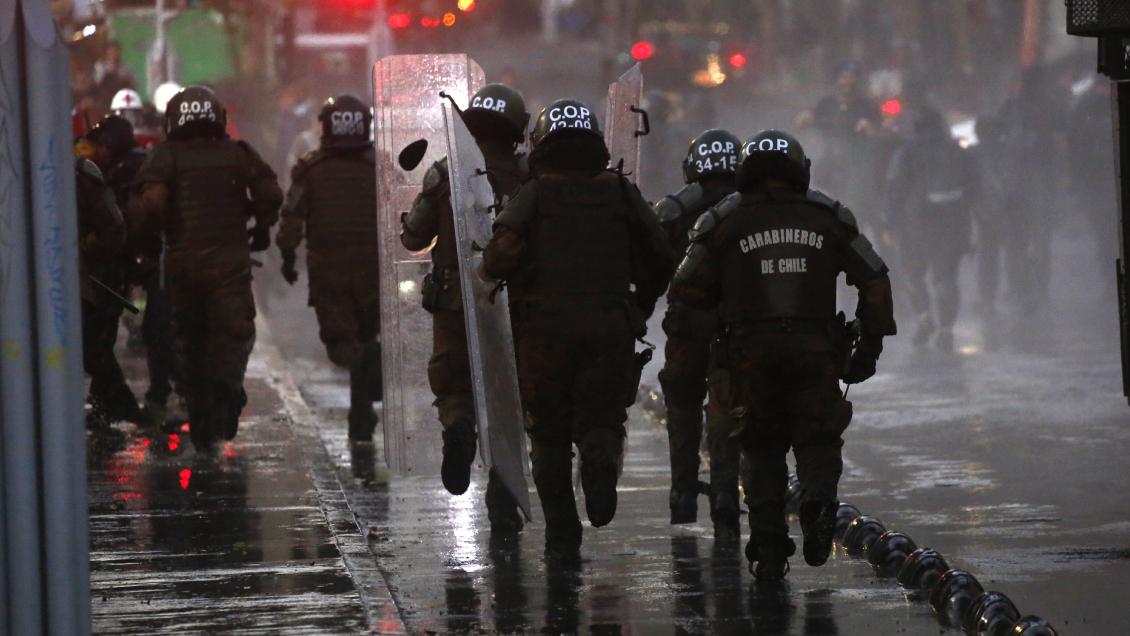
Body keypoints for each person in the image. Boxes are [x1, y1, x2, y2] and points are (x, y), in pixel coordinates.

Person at [670, 130, 896, 580]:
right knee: (818, 440)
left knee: (760, 446)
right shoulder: (827, 216)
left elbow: (686, 287)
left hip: (748, 356)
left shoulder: (723, 221)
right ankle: (817, 498)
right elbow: (874, 280)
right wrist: (869, 345)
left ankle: (770, 548)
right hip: (816, 352)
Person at [480, 99, 676, 560]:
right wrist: (639, 305)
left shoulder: (535, 194)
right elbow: (662, 256)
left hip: (544, 332)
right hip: (609, 325)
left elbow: (496, 259)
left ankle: (562, 538)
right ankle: (600, 455)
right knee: (602, 418)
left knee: (547, 435)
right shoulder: (620, 191)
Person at [400, 83, 531, 532]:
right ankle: (503, 495)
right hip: (516, 305)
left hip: (455, 300)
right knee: (511, 399)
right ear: (517, 131)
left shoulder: (446, 173)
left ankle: (458, 426)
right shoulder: (531, 176)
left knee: (454, 383)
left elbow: (413, 238)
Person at [129, 85, 282, 451]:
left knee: (190, 341)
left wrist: (149, 242)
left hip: (183, 263)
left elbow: (148, 205)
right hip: (230, 260)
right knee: (234, 333)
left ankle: (200, 421)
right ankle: (227, 388)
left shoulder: (166, 157)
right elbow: (270, 194)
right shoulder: (238, 154)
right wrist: (260, 229)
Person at [277, 93, 382, 441]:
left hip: (329, 269)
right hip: (373, 269)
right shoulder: (380, 165)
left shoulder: (311, 167)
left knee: (341, 345)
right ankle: (362, 408)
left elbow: (292, 215)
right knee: (366, 337)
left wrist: (288, 257)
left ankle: (364, 401)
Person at [653, 129, 743, 538]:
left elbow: (652, 269)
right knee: (726, 406)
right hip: (737, 329)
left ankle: (682, 493)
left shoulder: (673, 211)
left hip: (687, 327)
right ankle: (726, 493)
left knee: (682, 406)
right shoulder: (747, 208)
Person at [86, 115, 182, 425]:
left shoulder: (126, 170)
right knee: (145, 331)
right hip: (143, 260)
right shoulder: (133, 164)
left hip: (149, 260)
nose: (97, 152)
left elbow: (123, 220)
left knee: (155, 331)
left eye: (101, 145)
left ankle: (163, 397)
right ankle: (113, 402)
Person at [882, 107, 979, 352]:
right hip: (953, 223)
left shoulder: (906, 152)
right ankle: (946, 330)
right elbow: (975, 186)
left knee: (913, 275)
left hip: (915, 224)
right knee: (946, 278)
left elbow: (895, 189)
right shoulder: (958, 151)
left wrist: (889, 224)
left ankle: (925, 318)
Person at [77, 156, 143, 428]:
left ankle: (119, 408)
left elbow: (114, 227)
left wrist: (83, 251)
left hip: (79, 281)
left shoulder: (79, 175)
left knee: (90, 349)